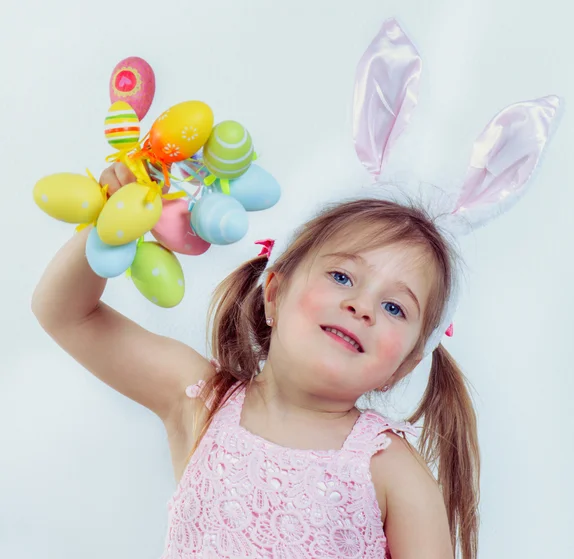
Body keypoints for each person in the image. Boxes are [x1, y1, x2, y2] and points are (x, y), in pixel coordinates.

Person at [32, 161, 480, 559]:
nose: (363, 307)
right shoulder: (201, 400)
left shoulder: (392, 471)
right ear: (274, 293)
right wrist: (112, 220)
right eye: (342, 276)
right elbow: (67, 314)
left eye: (394, 308)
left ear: (403, 367)